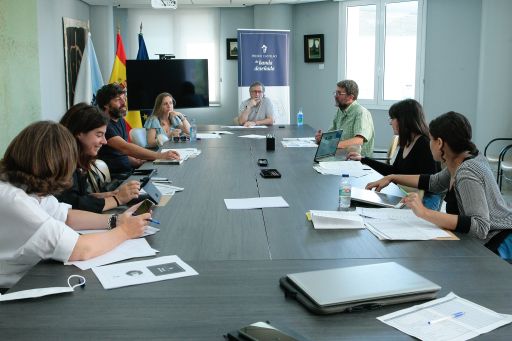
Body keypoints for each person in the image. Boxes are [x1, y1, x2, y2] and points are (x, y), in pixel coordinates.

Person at [0, 121, 150, 290]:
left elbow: (67, 216)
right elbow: (80, 249)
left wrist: (117, 221)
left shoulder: (23, 185)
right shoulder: (15, 201)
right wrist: (125, 231)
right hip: (11, 292)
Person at [366, 111, 512, 259]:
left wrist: (424, 212)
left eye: (431, 140)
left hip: (500, 239)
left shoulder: (467, 172)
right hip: (494, 235)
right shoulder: (460, 159)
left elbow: (479, 226)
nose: (429, 144)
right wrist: (392, 177)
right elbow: (434, 182)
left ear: (440, 143)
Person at [347, 99, 441, 210]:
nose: (390, 122)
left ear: (403, 120)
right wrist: (363, 159)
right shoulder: (407, 141)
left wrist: (393, 178)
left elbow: (430, 182)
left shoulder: (424, 144)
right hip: (408, 194)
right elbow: (395, 171)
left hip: (425, 200)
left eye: (392, 118)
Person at [57, 103, 141, 213]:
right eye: (99, 135)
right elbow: (70, 204)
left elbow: (79, 196)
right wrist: (117, 199)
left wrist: (107, 195)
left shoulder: (77, 158)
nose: (104, 141)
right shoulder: (61, 161)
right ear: (79, 133)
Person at [95, 83, 180, 178]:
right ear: (106, 105)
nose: (124, 103)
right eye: (118, 100)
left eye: (124, 98)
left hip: (129, 170)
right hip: (118, 177)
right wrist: (160, 156)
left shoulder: (120, 121)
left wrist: (138, 161)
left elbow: (121, 154)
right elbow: (125, 148)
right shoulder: (104, 125)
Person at [315, 80, 375, 157]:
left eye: (339, 93)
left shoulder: (361, 112)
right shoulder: (340, 111)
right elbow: (332, 135)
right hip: (341, 155)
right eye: (336, 92)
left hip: (358, 161)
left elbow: (359, 140)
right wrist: (323, 139)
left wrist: (334, 145)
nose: (335, 96)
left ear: (351, 97)